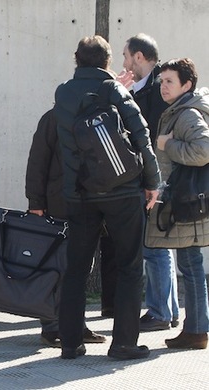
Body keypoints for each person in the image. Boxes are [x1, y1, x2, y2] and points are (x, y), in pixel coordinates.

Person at [53, 35, 161, 360]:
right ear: (108, 61)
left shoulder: (63, 93)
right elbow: (140, 134)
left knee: (75, 269)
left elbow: (66, 146)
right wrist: (153, 181)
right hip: (123, 191)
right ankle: (124, 344)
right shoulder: (113, 90)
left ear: (76, 58)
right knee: (129, 266)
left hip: (81, 194)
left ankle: (70, 343)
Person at [25, 108, 107, 347]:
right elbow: (37, 160)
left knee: (81, 269)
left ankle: (75, 326)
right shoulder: (53, 117)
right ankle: (51, 327)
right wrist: (35, 202)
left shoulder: (99, 115)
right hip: (57, 205)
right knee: (56, 269)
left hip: (89, 204)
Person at [145, 58, 209, 349]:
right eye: (162, 81)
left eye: (170, 81)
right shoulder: (179, 110)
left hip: (188, 202)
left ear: (187, 84)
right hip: (186, 201)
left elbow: (203, 151)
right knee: (190, 264)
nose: (163, 86)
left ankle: (196, 330)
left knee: (191, 265)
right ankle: (194, 328)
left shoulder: (187, 114)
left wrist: (166, 144)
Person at [121, 33, 179, 332]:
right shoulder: (143, 89)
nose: (124, 62)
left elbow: (149, 140)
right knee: (158, 247)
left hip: (156, 181)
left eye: (126, 56)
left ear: (139, 58)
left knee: (155, 248)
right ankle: (166, 310)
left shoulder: (158, 90)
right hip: (152, 180)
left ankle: (160, 312)